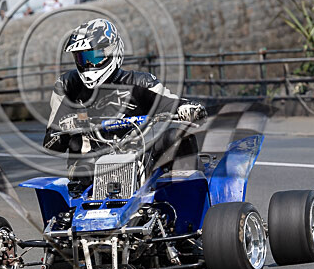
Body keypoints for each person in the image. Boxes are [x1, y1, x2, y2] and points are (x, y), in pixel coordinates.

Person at [42, 19, 206, 187]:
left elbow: (168, 102)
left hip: (140, 155)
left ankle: (191, 193)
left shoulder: (141, 82)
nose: (89, 65)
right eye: (82, 58)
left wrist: (186, 108)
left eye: (94, 57)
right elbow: (50, 145)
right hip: (88, 163)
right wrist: (63, 131)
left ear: (112, 51)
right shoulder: (68, 85)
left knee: (176, 136)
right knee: (83, 169)